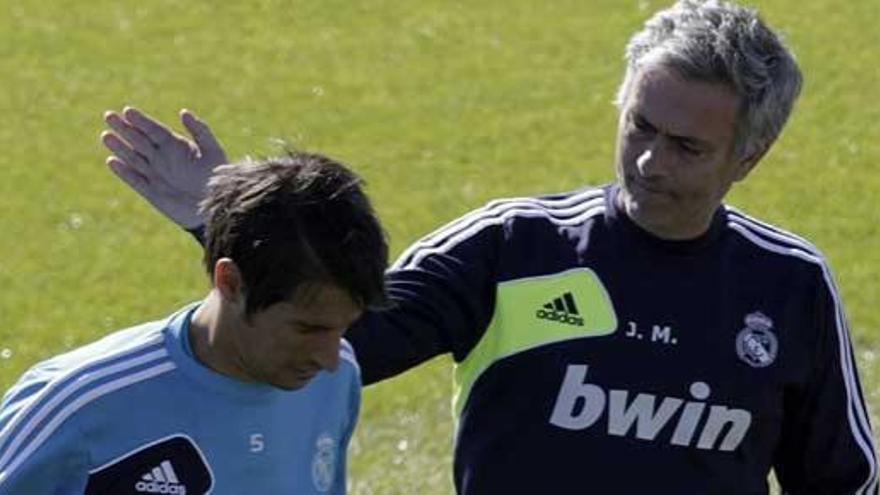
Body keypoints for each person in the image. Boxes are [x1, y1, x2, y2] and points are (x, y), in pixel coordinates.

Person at [100, 0, 878, 493]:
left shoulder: (790, 287)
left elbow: (842, 478)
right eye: (639, 125)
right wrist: (233, 220)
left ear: (750, 155)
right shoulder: (513, 245)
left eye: (685, 146)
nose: (649, 160)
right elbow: (339, 337)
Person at [0, 152, 389, 494]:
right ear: (231, 282)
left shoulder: (337, 380)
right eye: (308, 329)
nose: (329, 358)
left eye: (345, 326)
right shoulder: (80, 402)